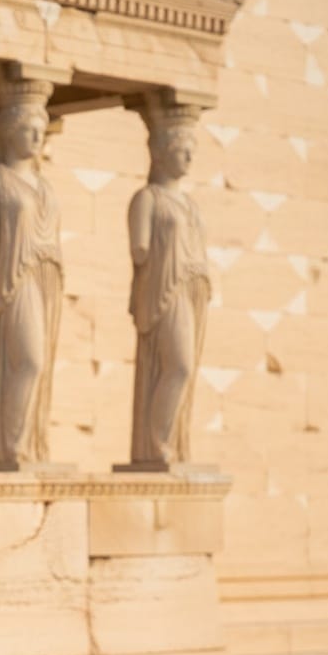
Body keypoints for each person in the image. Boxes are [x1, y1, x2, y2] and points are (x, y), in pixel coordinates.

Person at [0, 92, 62, 464]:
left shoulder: (45, 186)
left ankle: (29, 446)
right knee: (28, 359)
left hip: (47, 277)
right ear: (9, 131)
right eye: (28, 129)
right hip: (12, 277)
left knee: (42, 363)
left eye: (41, 129)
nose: (37, 136)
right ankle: (10, 445)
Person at [127, 106, 210, 465]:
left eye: (192, 149)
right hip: (165, 291)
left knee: (186, 369)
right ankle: (156, 442)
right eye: (181, 149)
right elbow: (140, 250)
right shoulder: (147, 199)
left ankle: (173, 442)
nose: (189, 157)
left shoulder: (190, 204)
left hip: (193, 292)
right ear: (161, 151)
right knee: (179, 366)